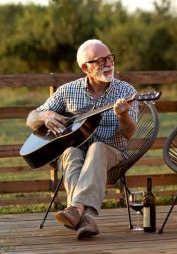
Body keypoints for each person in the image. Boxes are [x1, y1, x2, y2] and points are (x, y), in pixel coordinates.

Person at [26, 39, 139, 240]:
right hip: (76, 152)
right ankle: (86, 218)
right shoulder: (67, 91)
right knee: (70, 152)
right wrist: (45, 116)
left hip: (112, 152)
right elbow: (31, 119)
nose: (109, 63)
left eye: (110, 58)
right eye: (101, 60)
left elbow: (129, 133)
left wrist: (123, 115)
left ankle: (75, 208)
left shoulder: (126, 91)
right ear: (85, 67)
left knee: (96, 148)